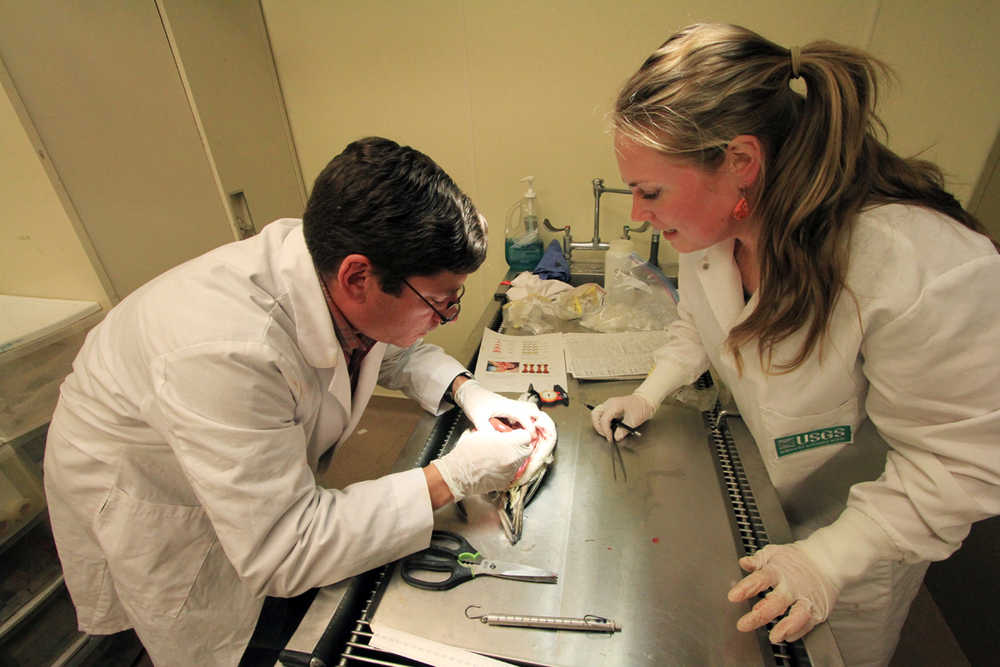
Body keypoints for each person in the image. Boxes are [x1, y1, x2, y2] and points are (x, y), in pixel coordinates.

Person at [43, 136, 554, 666]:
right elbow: (284, 546)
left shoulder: (326, 265)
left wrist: (467, 391)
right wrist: (454, 477)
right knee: (211, 625)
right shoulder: (228, 349)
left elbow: (386, 344)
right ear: (358, 277)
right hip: (146, 485)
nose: (446, 318)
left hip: (222, 449)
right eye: (439, 302)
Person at [590, 23, 999, 666]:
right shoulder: (720, 236)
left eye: (651, 191)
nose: (638, 213)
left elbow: (959, 463)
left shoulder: (918, 265)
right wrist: (651, 391)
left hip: (861, 547)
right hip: (768, 505)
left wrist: (829, 561)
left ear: (742, 162)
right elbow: (702, 324)